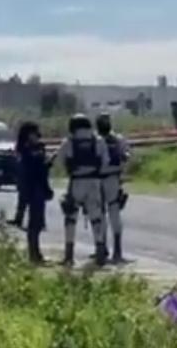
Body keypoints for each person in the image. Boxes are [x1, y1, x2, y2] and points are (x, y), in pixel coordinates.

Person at [55, 113, 109, 266]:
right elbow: (105, 162)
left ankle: (69, 255)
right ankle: (100, 252)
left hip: (76, 182)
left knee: (71, 218)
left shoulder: (69, 142)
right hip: (94, 182)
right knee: (97, 218)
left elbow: (60, 161)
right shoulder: (98, 141)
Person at [15, 121, 53, 263]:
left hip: (37, 187)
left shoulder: (36, 148)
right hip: (32, 188)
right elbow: (33, 169)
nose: (37, 136)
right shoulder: (26, 150)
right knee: (34, 224)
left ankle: (36, 253)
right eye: (34, 133)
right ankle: (34, 254)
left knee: (37, 223)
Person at [96, 113, 130, 264]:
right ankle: (116, 251)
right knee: (113, 215)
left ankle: (104, 250)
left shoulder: (95, 140)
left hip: (100, 180)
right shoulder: (118, 139)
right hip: (112, 179)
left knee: (102, 215)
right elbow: (126, 156)